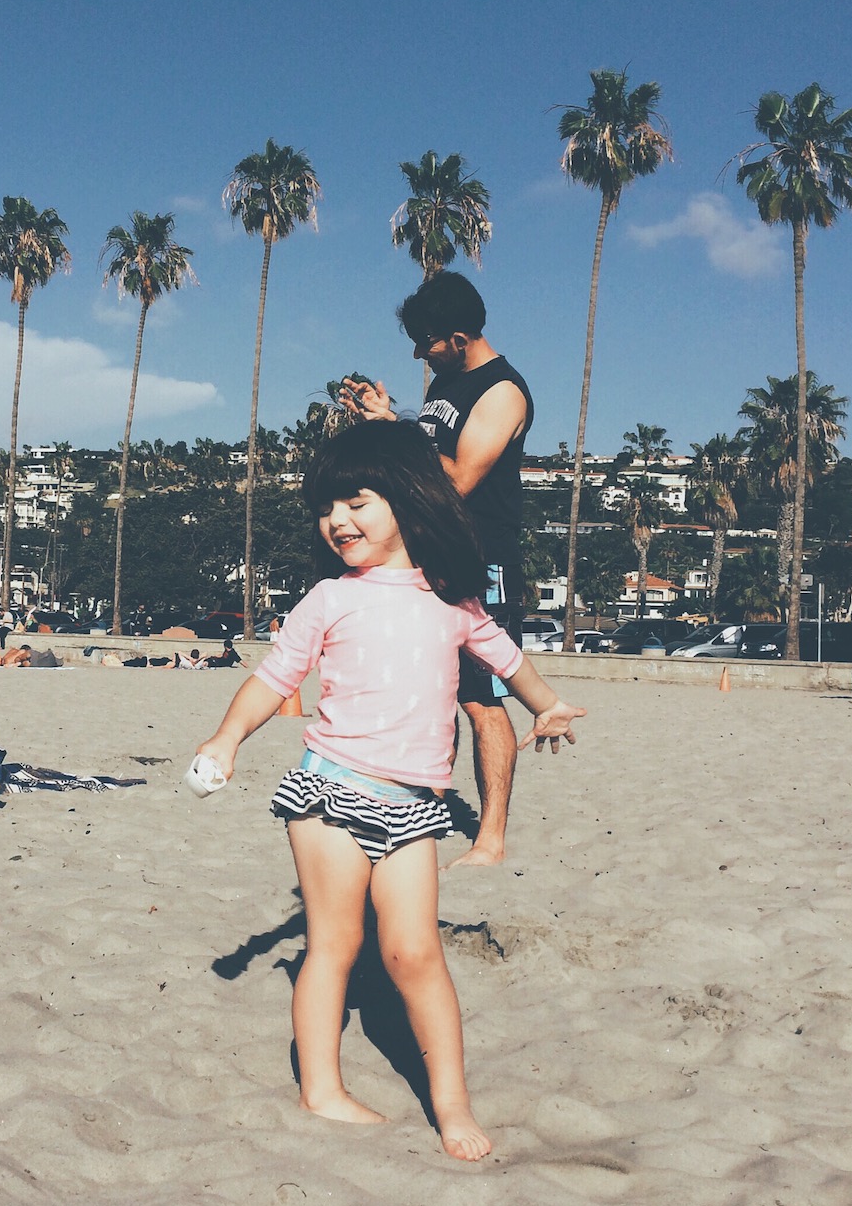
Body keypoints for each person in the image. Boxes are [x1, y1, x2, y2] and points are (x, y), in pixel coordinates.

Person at [194, 421, 584, 1162]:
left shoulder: (453, 601)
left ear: (407, 498)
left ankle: (453, 1103)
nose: (337, 520)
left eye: (355, 501)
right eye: (326, 509)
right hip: (329, 795)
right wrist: (226, 739)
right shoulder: (330, 599)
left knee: (414, 954)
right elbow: (273, 678)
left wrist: (548, 706)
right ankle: (322, 1089)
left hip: (414, 810)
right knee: (334, 945)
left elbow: (508, 660)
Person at [339, 271, 533, 868]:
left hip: (482, 561)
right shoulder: (446, 383)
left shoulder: (502, 391)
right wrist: (385, 421)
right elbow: (427, 460)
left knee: (481, 700)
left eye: (427, 342)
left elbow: (458, 477)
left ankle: (491, 839)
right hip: (433, 554)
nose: (418, 352)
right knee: (426, 690)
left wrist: (394, 430)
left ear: (458, 335)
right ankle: (420, 813)